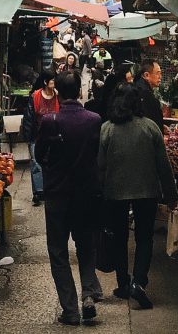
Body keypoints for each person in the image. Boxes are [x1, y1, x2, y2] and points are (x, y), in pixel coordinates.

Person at [97, 84, 177, 310]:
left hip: (114, 192)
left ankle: (123, 283)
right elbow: (164, 166)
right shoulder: (150, 128)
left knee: (120, 237)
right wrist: (171, 196)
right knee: (144, 238)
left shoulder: (107, 129)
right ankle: (139, 283)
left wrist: (100, 194)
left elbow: (100, 167)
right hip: (147, 191)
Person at [34, 72, 103, 326]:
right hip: (86, 195)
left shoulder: (50, 121)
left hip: (58, 196)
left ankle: (70, 310)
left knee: (58, 252)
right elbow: (97, 154)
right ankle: (88, 294)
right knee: (86, 247)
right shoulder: (94, 120)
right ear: (80, 93)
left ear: (59, 95)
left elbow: (40, 154)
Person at [27, 71, 61, 204]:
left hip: (54, 135)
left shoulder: (59, 96)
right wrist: (29, 138)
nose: (54, 82)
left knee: (52, 163)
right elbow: (29, 119)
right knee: (36, 163)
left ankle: (51, 189)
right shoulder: (35, 96)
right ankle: (38, 192)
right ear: (45, 82)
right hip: (37, 135)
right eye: (51, 80)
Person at [134, 60, 164, 125]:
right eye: (158, 73)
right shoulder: (144, 93)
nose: (160, 77)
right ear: (146, 75)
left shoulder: (140, 87)